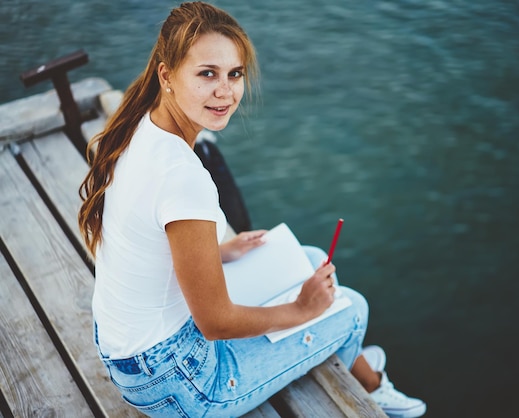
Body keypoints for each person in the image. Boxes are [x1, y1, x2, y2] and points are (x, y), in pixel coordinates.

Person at [77, 2, 426, 417]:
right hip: (176, 384)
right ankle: (372, 385)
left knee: (311, 261)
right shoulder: (184, 177)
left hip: (128, 352)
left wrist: (216, 249)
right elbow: (214, 323)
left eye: (234, 74)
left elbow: (149, 233)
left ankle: (349, 356)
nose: (225, 91)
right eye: (207, 73)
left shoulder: (138, 126)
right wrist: (301, 311)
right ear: (166, 75)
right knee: (350, 310)